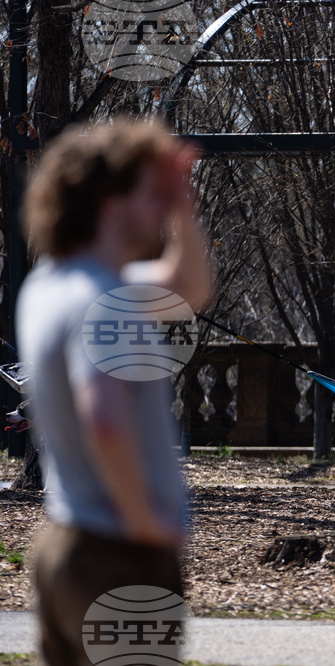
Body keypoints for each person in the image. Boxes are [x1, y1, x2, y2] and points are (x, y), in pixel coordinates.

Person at [17, 121, 213, 665]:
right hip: (118, 553)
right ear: (110, 201)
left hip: (63, 545)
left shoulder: (50, 286)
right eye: (150, 193)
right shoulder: (105, 301)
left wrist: (181, 208)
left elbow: (190, 288)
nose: (160, 206)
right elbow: (104, 418)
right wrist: (146, 525)